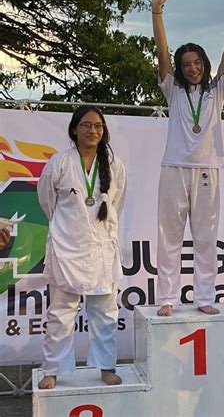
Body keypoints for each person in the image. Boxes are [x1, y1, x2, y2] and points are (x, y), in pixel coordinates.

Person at [151, 0, 224, 316]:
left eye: (197, 63)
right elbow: (162, 51)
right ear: (179, 68)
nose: (192, 68)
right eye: (186, 64)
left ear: (204, 64)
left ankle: (205, 297)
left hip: (208, 169)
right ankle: (167, 298)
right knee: (169, 237)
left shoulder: (217, 91)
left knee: (206, 237)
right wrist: (157, 12)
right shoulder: (172, 91)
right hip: (174, 167)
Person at [37, 106, 127, 389]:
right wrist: (67, 229)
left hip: (100, 248)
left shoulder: (114, 165)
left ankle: (105, 366)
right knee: (61, 313)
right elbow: (47, 202)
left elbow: (116, 205)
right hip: (67, 246)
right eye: (86, 125)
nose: (93, 131)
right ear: (74, 129)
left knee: (104, 312)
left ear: (104, 131)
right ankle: (52, 370)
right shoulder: (59, 163)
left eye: (98, 126)